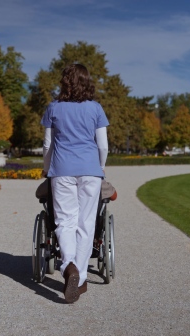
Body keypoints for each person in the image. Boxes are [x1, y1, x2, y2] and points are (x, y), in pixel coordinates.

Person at [41, 63, 109, 303]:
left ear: (64, 82)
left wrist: (47, 168)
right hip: (90, 171)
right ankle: (78, 280)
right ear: (87, 82)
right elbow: (103, 146)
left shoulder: (53, 108)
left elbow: (48, 145)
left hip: (62, 171)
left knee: (64, 222)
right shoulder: (96, 109)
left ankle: (68, 265)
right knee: (86, 224)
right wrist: (100, 168)